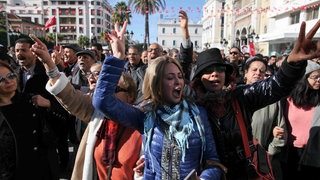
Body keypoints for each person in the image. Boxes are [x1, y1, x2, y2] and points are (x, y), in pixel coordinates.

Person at [189, 19, 320, 179]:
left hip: (242, 173)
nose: (215, 73)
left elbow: (275, 85)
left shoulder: (240, 96)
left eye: (220, 69)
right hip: (206, 174)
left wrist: (293, 62)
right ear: (198, 78)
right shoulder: (190, 105)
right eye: (208, 70)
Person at [92, 21, 222, 179]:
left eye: (180, 76)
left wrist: (203, 179)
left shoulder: (198, 114)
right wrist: (117, 58)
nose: (178, 82)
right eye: (170, 77)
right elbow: (102, 102)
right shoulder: (145, 114)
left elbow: (213, 161)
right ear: (157, 84)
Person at [29, 34, 143, 180]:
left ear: (131, 96)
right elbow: (68, 95)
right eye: (105, 92)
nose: (107, 96)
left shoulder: (143, 122)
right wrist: (49, 64)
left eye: (113, 90)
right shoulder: (97, 113)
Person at [0, 61, 63, 179]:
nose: (8, 81)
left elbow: (64, 119)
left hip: (42, 169)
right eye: (1, 79)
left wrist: (49, 105)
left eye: (11, 76)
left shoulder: (31, 100)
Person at [244, 56, 287, 180]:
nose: (258, 73)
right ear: (245, 73)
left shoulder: (272, 100)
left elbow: (281, 130)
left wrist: (270, 152)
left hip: (262, 164)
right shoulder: (233, 97)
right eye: (254, 69)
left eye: (262, 71)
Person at [281, 60, 320, 180]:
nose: (319, 80)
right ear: (304, 78)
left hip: (314, 154)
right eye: (315, 77)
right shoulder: (287, 99)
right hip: (290, 152)